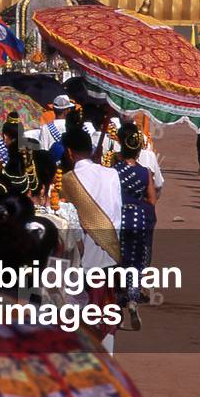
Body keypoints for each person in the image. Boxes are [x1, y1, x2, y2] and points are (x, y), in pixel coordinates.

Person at [60, 126, 122, 350]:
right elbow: (117, 211)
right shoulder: (111, 173)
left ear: (68, 152)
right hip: (110, 251)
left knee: (79, 309)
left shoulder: (68, 180)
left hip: (81, 255)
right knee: (106, 307)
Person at [113, 123, 156, 331]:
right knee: (136, 261)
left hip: (119, 219)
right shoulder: (145, 172)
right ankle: (132, 298)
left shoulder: (113, 170)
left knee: (118, 262)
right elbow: (152, 199)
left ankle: (118, 310)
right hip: (138, 217)